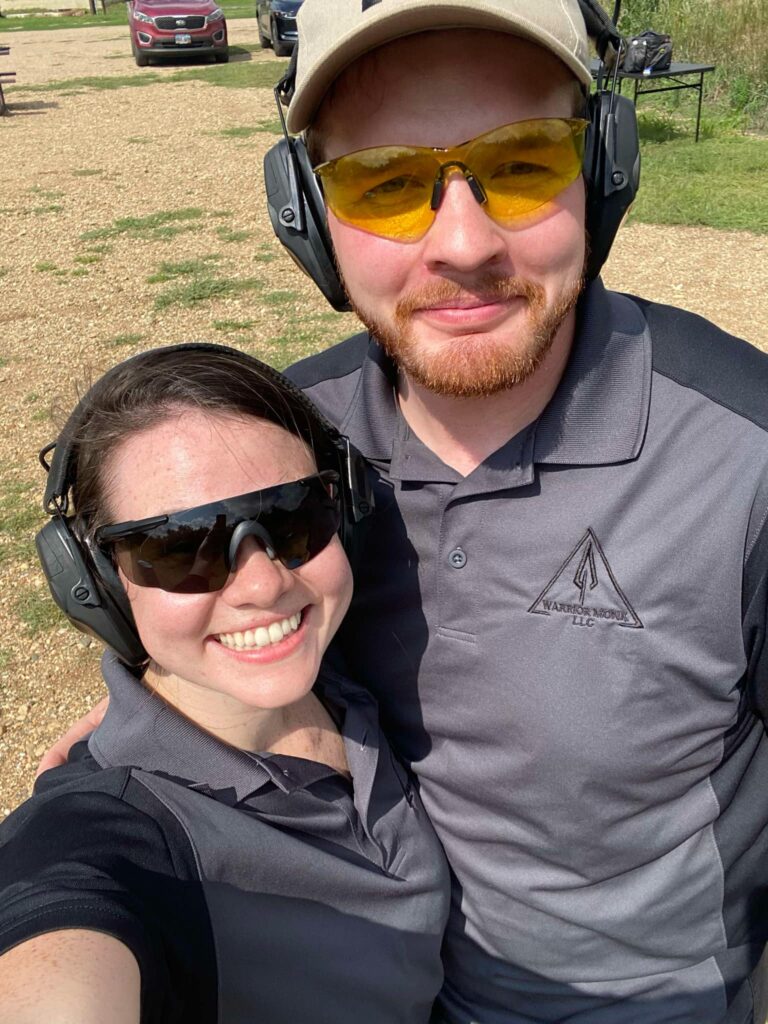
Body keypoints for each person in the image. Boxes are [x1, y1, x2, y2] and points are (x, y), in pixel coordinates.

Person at [41, 2, 768, 1021]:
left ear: (602, 168)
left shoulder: (746, 455)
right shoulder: (290, 454)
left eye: (522, 162)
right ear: (306, 215)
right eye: (383, 184)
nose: (462, 245)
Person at [0, 344, 450, 1024]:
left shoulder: (348, 675)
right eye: (181, 548)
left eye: (294, 517)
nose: (265, 583)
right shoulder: (116, 838)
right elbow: (60, 931)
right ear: (95, 585)